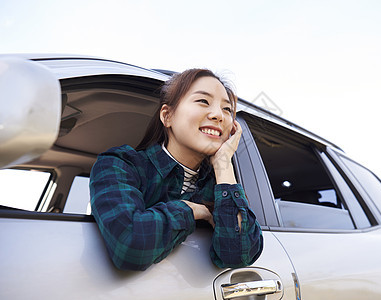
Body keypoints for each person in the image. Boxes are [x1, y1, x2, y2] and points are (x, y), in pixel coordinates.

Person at [89, 68, 264, 271]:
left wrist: (223, 163)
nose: (218, 115)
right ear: (167, 116)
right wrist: (192, 210)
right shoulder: (120, 164)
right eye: (203, 101)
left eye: (226, 109)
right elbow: (130, 245)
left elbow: (239, 255)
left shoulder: (220, 187)